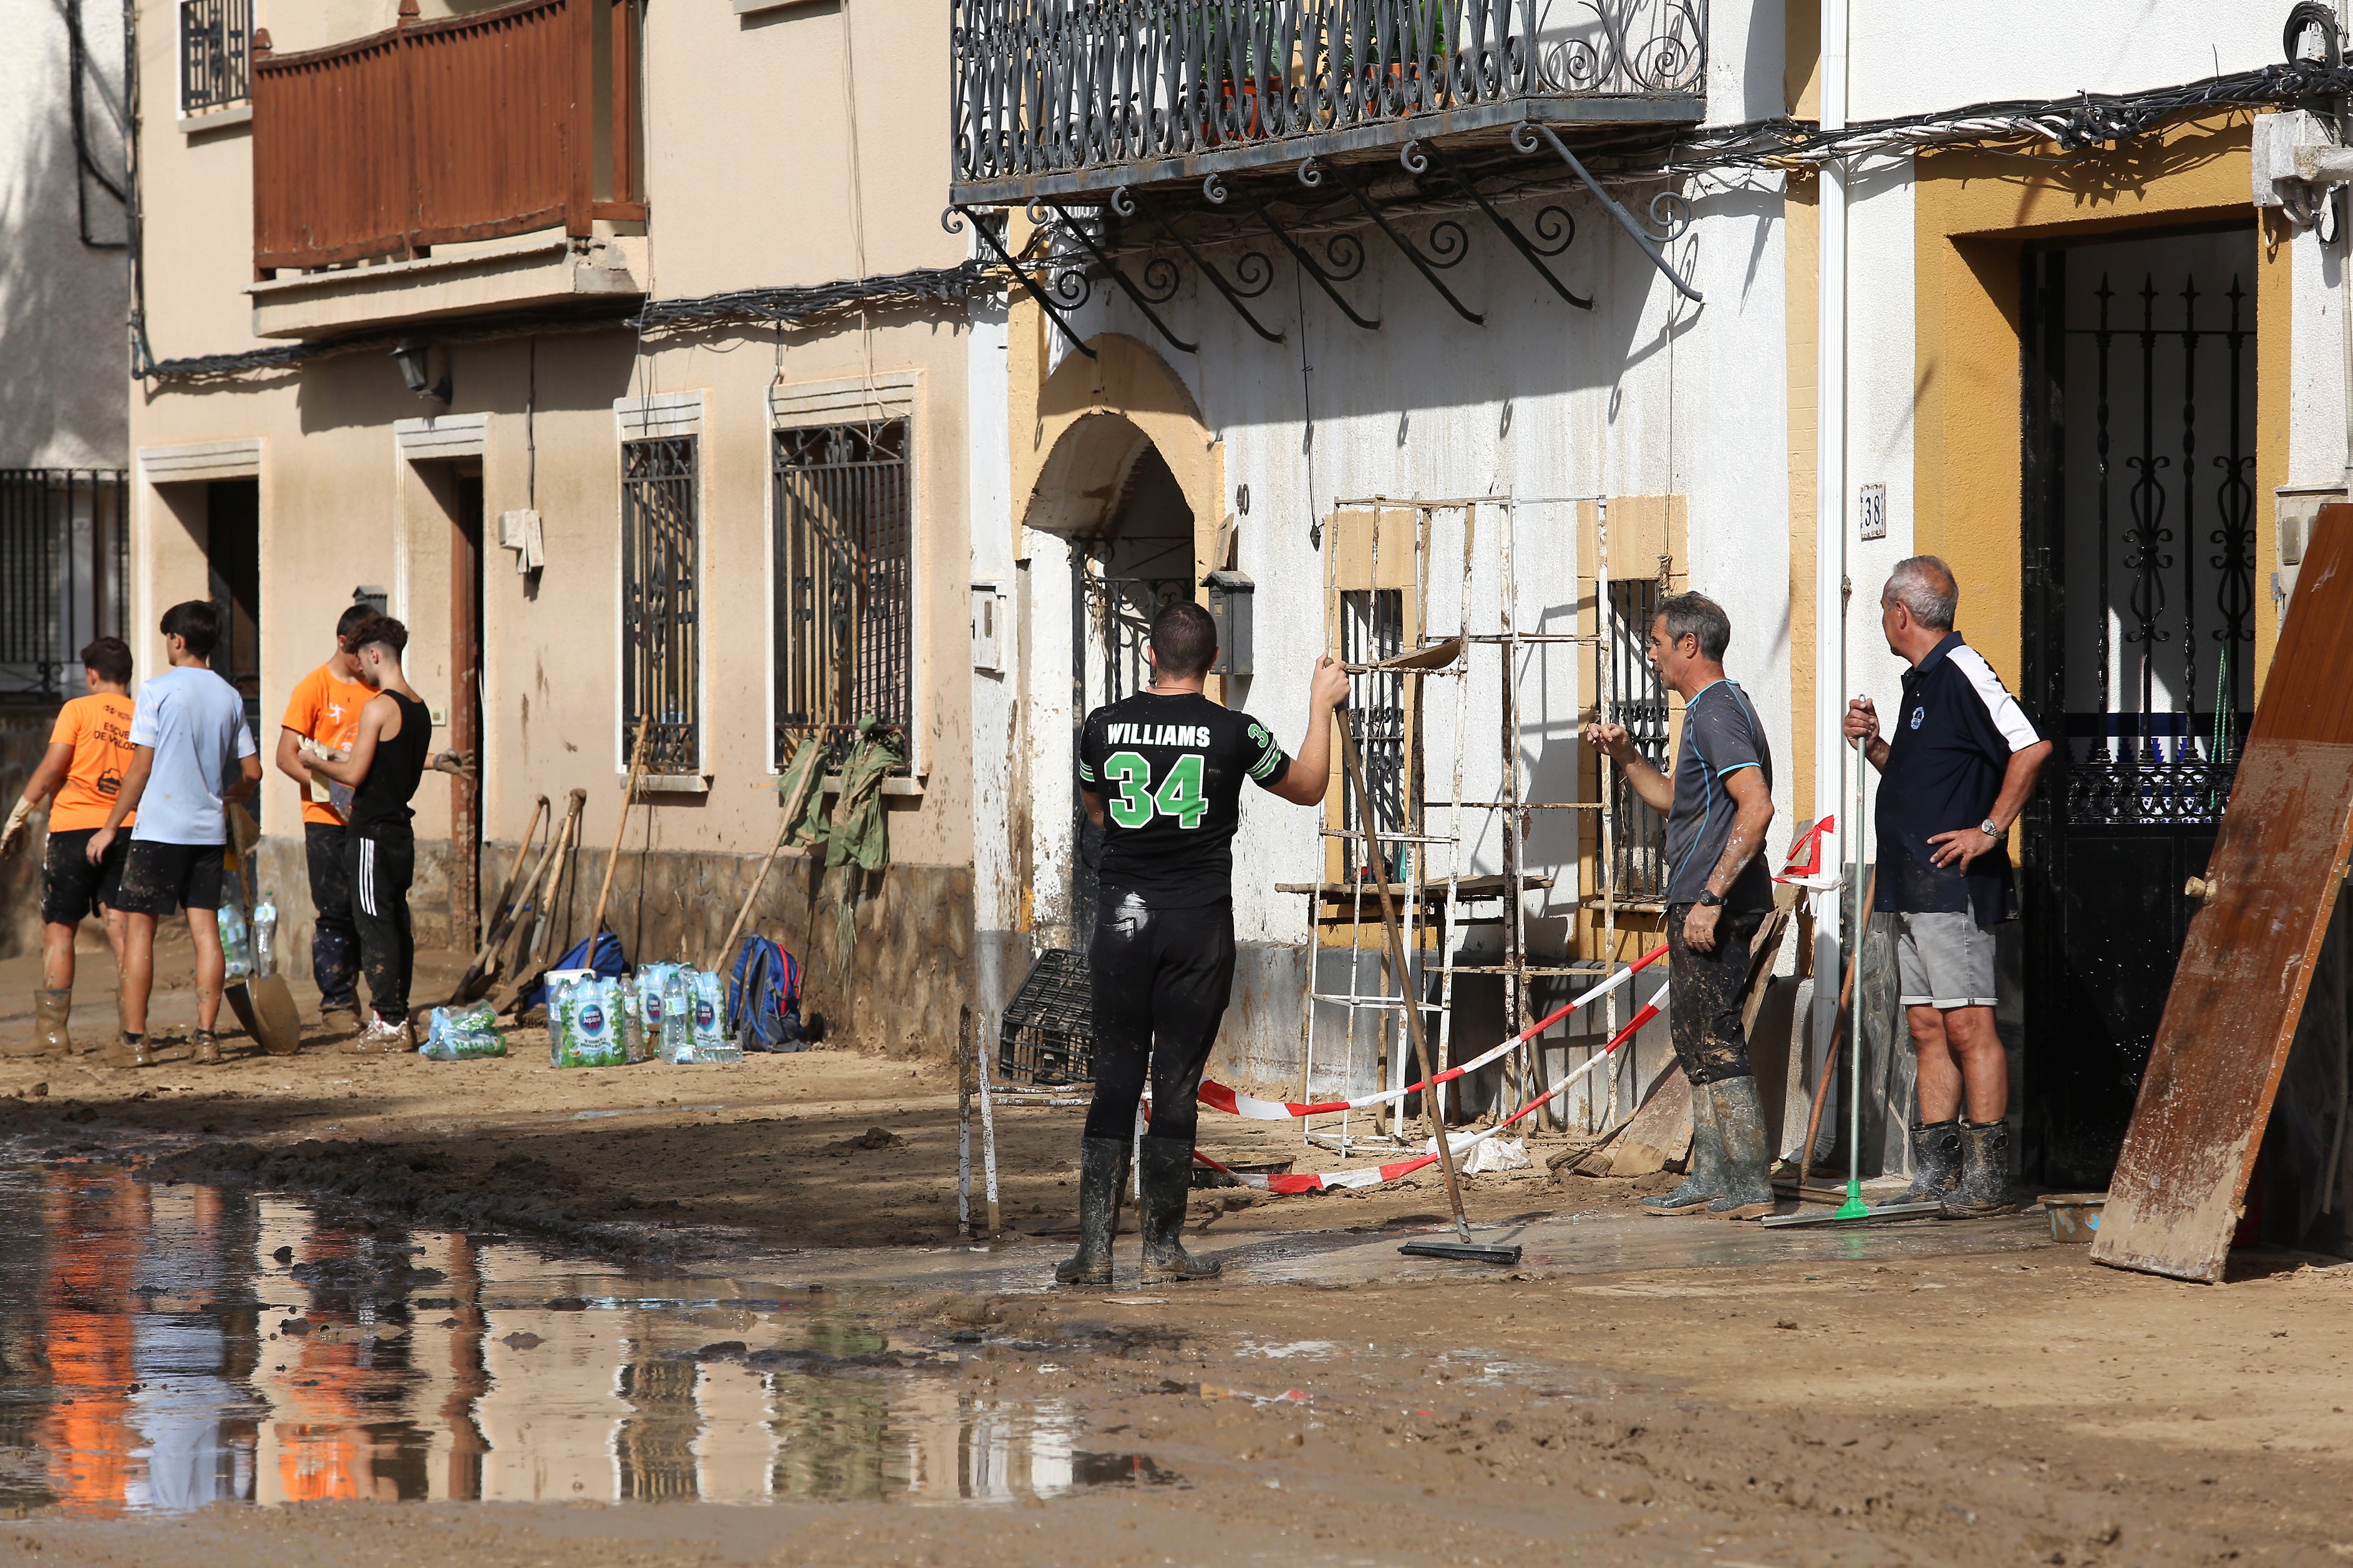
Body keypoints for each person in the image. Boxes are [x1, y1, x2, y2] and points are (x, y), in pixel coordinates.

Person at [1059, 600, 1349, 1286]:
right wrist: (1321, 704)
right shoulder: (1236, 732)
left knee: (1115, 1080)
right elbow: (1308, 788)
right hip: (1198, 926)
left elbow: (1096, 811)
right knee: (1177, 1082)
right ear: (1213, 663)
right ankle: (1161, 1251)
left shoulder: (1100, 728)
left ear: (1149, 657)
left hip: (1122, 922)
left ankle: (1094, 1253)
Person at [1843, 556, 2052, 1218]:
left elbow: (2031, 745)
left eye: (1882, 610)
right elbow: (1916, 780)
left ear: (1899, 614)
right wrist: (1875, 745)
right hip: (1907, 885)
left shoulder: (1962, 669)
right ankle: (1937, 1173)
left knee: (1967, 1023)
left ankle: (1988, 1178)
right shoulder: (1921, 684)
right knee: (1926, 1025)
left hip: (1951, 888)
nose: (1883, 621)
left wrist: (1990, 828)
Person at [1584, 592, 1779, 1219]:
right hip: (1702, 900)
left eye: (1657, 641)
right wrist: (1626, 757)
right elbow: (1677, 800)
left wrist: (1710, 898)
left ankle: (1747, 1181)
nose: (1651, 651)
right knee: (1694, 1035)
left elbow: (1756, 806)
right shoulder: (1705, 711)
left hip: (1716, 905)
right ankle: (1714, 1177)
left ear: (1689, 645)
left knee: (1714, 1036)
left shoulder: (1717, 710)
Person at [90, 602, 261, 1068]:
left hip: (159, 830)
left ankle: (135, 1041)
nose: (166, 644)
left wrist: (110, 826)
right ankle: (206, 1037)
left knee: (140, 932)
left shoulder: (157, 690)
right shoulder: (229, 696)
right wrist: (230, 796)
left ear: (178, 640)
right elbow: (253, 772)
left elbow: (140, 768)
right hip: (207, 832)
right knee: (207, 934)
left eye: (167, 637)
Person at [1, 638, 138, 1058]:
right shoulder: (143, 716)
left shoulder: (77, 710)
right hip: (128, 828)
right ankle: (132, 1033)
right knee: (124, 931)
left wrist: (19, 814)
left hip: (74, 830)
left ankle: (54, 1034)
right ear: (128, 675)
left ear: (92, 675)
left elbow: (52, 766)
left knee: (59, 928)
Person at [307, 615, 432, 1051]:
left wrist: (314, 760)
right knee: (397, 923)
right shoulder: (420, 709)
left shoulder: (379, 706)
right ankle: (397, 1015)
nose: (361, 668)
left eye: (362, 660)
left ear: (375, 655)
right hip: (401, 832)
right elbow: (397, 766)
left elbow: (355, 772)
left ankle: (390, 1023)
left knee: (373, 925)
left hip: (371, 835)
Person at [274, 604, 377, 1032]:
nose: (368, 661)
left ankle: (386, 1002)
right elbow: (286, 756)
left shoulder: (378, 690)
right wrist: (331, 793)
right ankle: (337, 1003)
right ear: (342, 643)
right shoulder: (313, 688)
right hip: (325, 820)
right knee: (334, 910)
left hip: (371, 819)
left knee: (375, 910)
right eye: (361, 652)